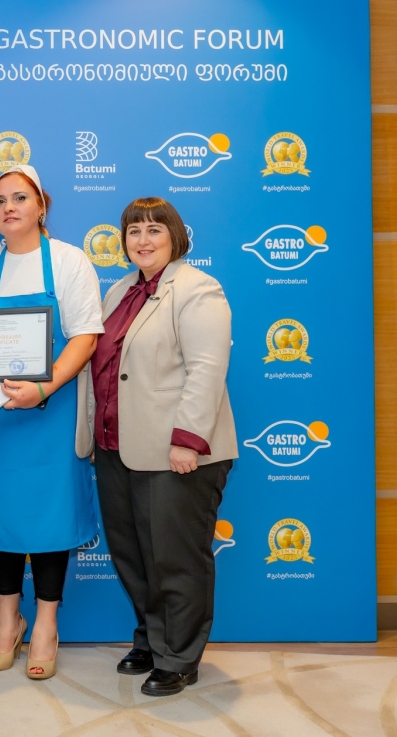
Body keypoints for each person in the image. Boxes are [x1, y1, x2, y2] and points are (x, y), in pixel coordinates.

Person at [0, 165, 103, 680]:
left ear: (41, 206)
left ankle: (47, 625)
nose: (8, 207)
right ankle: (8, 620)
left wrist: (44, 387)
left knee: (51, 518)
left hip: (51, 414)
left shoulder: (69, 261)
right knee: (1, 516)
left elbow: (85, 338)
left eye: (19, 198)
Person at [78, 197, 237, 697]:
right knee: (134, 556)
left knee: (175, 557)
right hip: (118, 448)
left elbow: (206, 370)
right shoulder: (120, 290)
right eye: (133, 231)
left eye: (154, 230)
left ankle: (179, 657)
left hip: (177, 452)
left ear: (175, 236)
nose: (142, 240)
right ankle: (151, 640)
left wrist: (187, 441)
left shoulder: (197, 288)